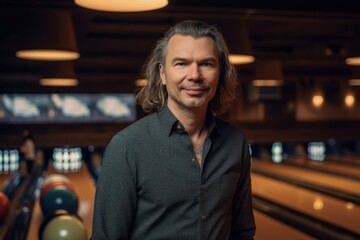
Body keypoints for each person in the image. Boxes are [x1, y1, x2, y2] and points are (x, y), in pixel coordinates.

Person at [92, 20, 255, 239]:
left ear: (220, 73)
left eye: (207, 64)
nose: (195, 75)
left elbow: (242, 232)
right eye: (181, 63)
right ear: (162, 74)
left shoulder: (236, 142)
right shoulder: (127, 148)